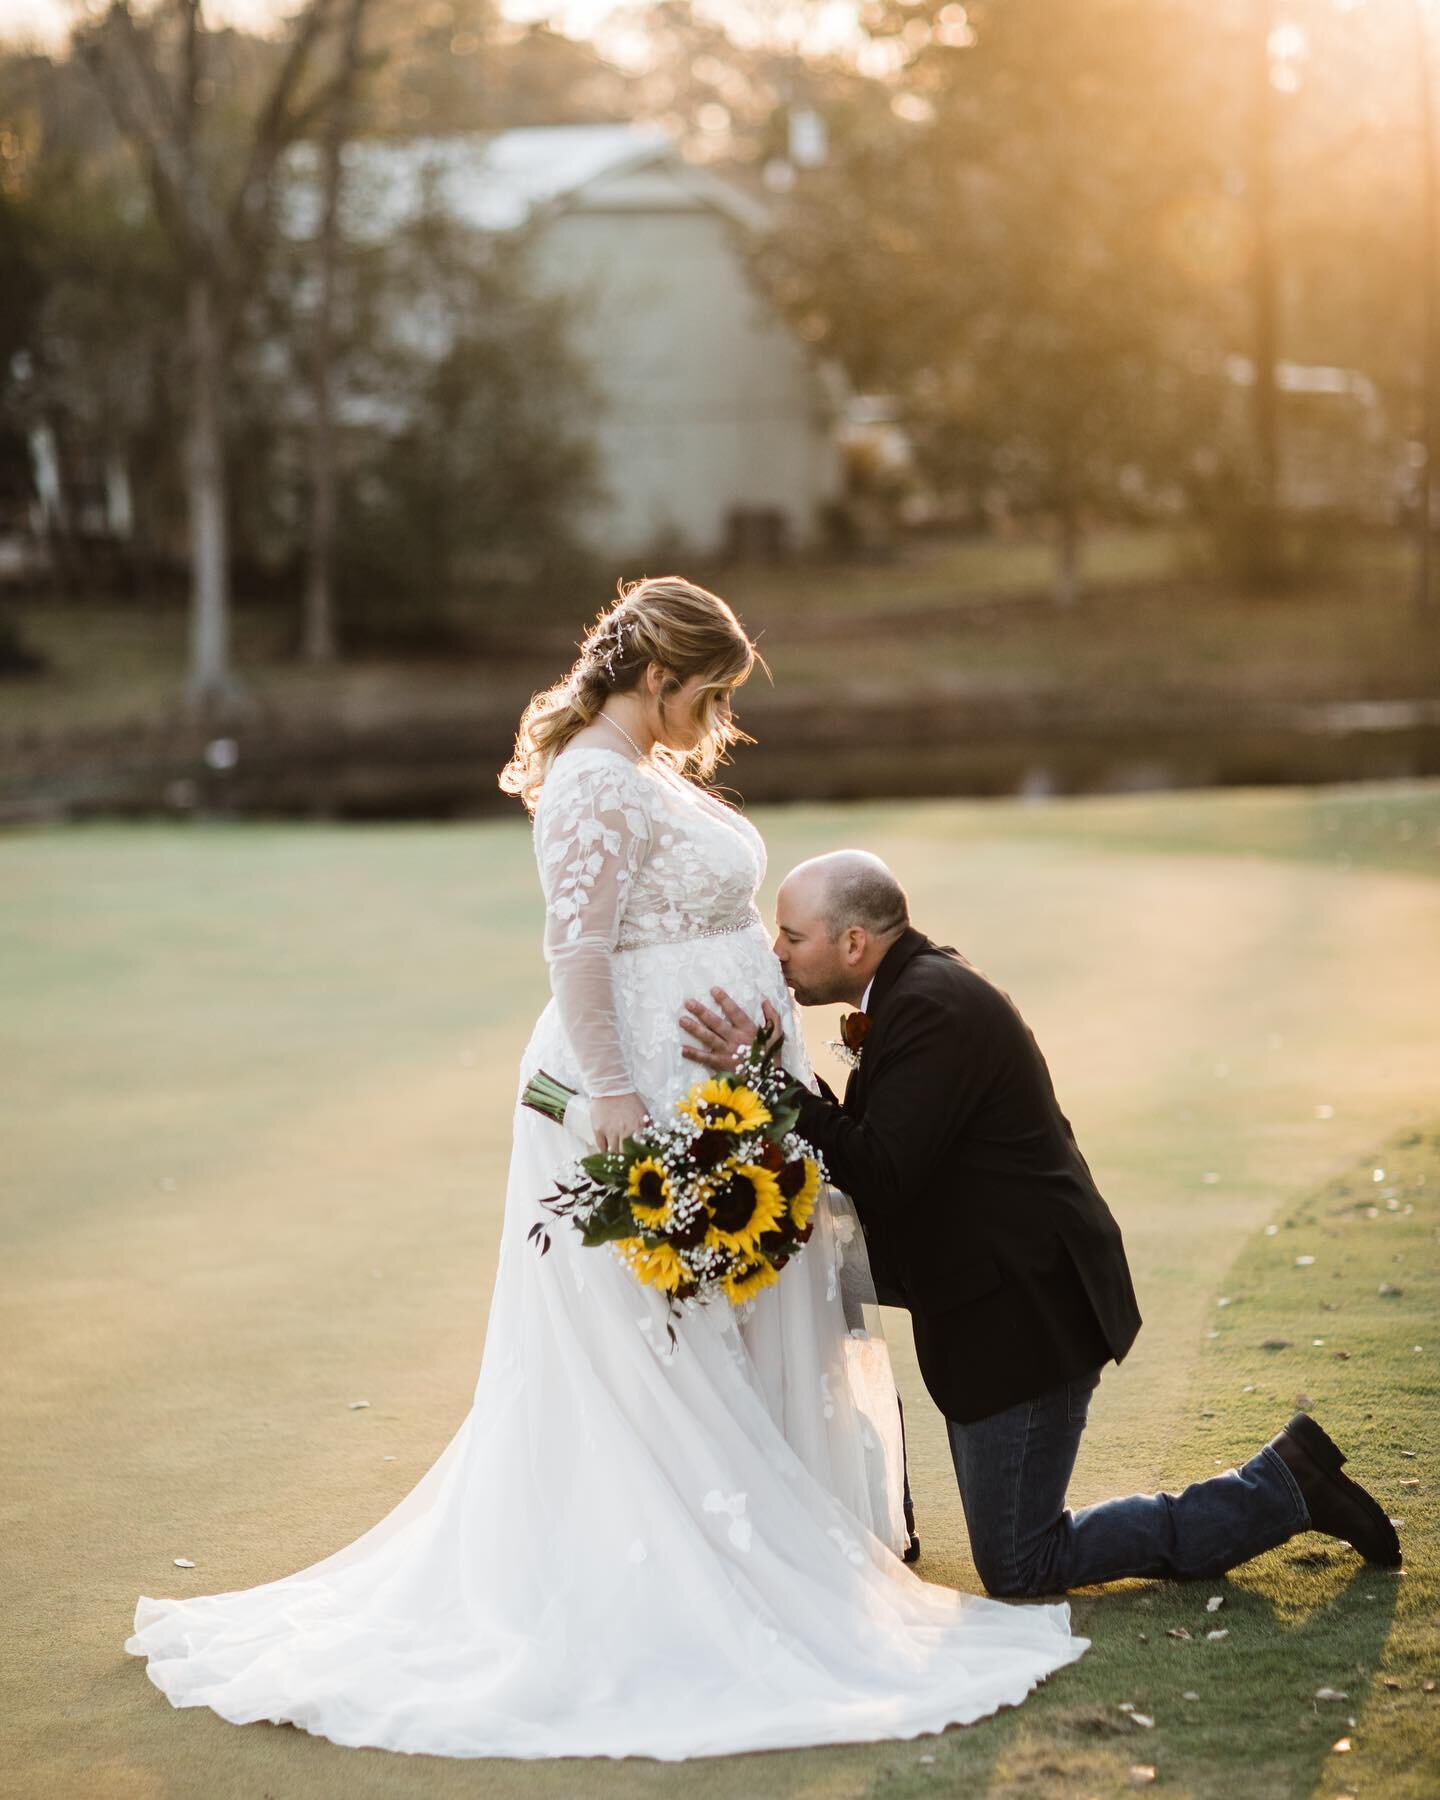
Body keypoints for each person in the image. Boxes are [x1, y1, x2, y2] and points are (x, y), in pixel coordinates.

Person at [124, 579, 1087, 1761]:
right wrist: (624, 1108)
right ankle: (690, 1575)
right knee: (661, 1338)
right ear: (658, 677)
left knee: (735, 1324)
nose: (717, 717)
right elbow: (575, 952)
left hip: (720, 1101)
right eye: (711, 692)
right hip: (640, 1106)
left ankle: (784, 1545)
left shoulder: (644, 774)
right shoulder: (589, 781)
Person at [680, 850, 1403, 1597]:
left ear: (854, 942)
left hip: (1026, 1313)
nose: (777, 951)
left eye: (791, 936)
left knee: (1021, 1564)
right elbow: (880, 1143)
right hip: (988, 1293)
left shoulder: (931, 1006)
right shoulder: (914, 990)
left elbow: (879, 1173)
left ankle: (1285, 1487)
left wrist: (765, 1079)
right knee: (1013, 1543)